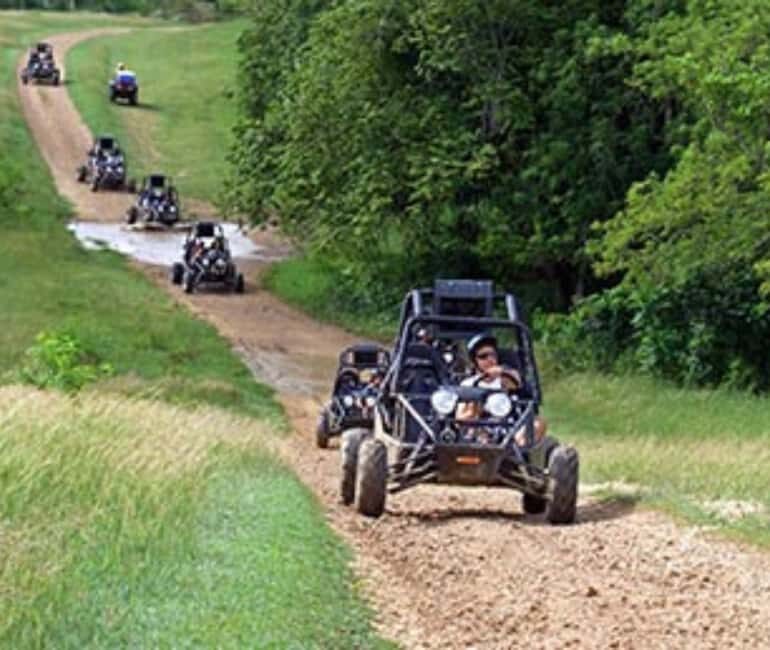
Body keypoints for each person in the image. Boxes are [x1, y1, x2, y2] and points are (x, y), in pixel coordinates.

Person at [456, 333, 547, 445]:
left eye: (493, 355)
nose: (489, 359)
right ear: (475, 361)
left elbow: (516, 382)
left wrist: (500, 372)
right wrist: (474, 410)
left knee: (538, 423)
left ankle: (516, 453)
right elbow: (459, 418)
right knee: (474, 430)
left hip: (507, 426)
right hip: (480, 428)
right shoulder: (467, 384)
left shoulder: (505, 379)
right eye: (483, 356)